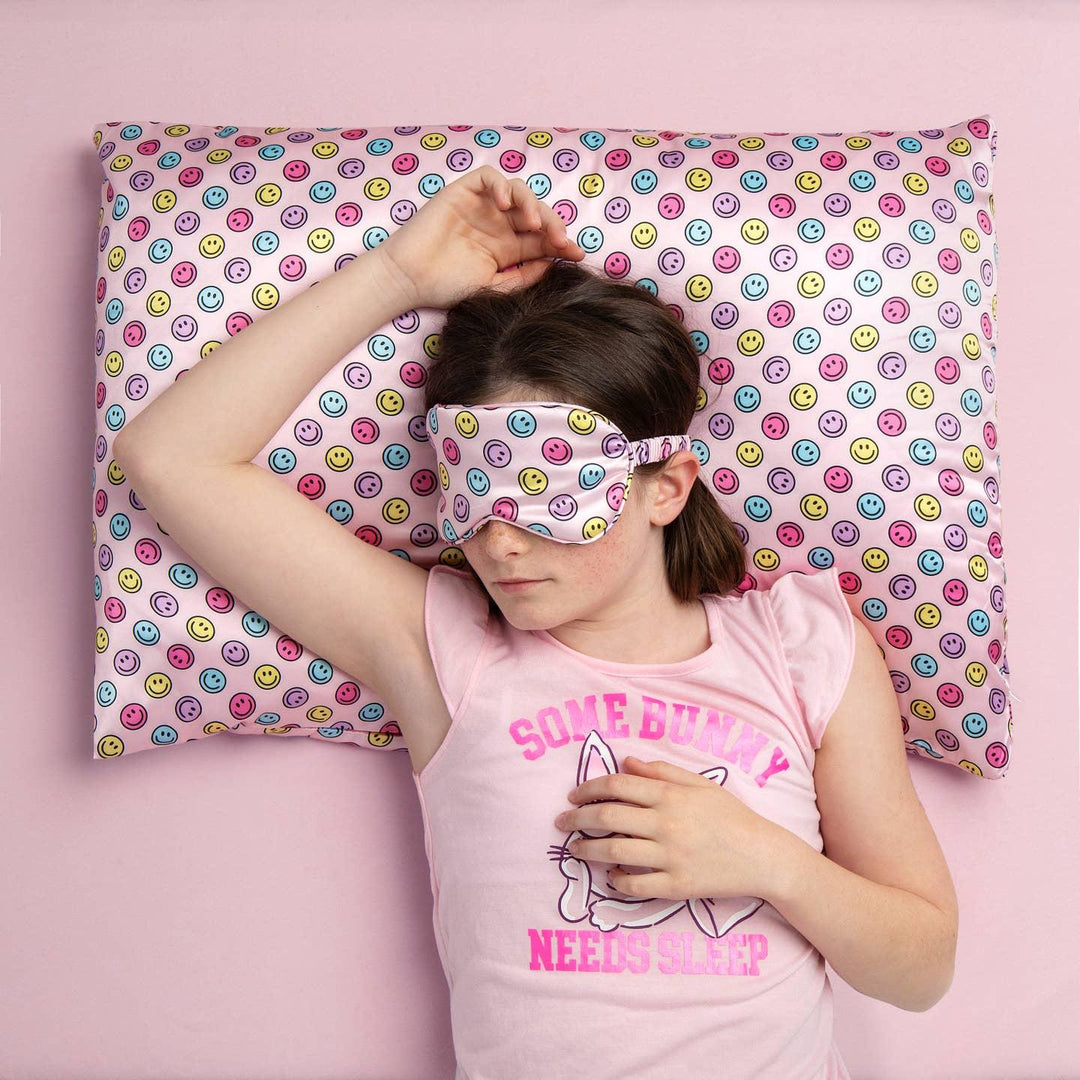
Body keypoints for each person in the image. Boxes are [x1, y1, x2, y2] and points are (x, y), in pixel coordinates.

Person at [115, 164, 958, 1080]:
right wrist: (397, 276)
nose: (501, 542)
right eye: (475, 492)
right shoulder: (448, 653)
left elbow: (922, 969)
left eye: (548, 490)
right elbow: (170, 457)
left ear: (664, 488)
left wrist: (767, 860)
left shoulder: (801, 650)